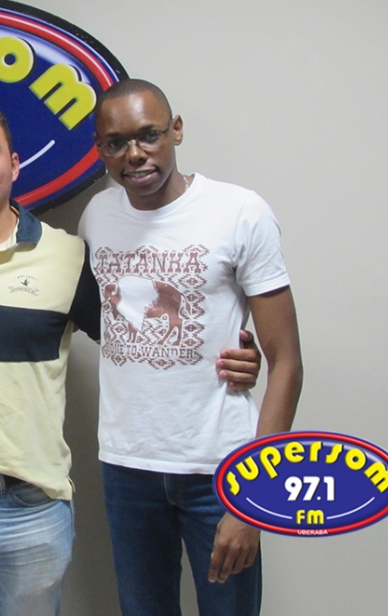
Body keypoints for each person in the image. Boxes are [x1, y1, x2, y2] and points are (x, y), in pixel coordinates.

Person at [0, 99, 262, 616]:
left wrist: (234, 352)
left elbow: (142, 345)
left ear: (13, 165)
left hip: (29, 507)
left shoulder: (70, 257)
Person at [78, 79, 304, 616]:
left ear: (175, 130)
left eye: (149, 135)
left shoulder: (239, 211)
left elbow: (287, 362)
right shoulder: (97, 216)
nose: (135, 154)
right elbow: (112, 321)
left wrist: (255, 497)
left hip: (222, 470)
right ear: (100, 148)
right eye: (116, 142)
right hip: (127, 466)